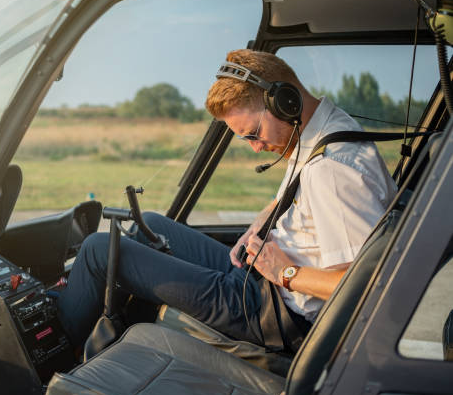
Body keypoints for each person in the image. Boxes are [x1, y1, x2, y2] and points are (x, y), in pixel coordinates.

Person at [56, 49, 396, 350]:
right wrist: (261, 225)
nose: (255, 147)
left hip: (272, 312)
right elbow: (303, 196)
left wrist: (286, 271)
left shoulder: (333, 170)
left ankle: (60, 344)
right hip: (262, 281)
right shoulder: (320, 132)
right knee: (154, 226)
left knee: (100, 249)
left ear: (284, 101)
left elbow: (369, 283)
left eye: (253, 133)